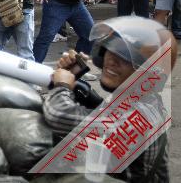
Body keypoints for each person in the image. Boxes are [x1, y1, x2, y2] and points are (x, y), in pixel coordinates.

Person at [44, 16, 174, 181]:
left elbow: (58, 115)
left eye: (125, 59)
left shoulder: (141, 115)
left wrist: (62, 85)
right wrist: (71, 78)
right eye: (110, 51)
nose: (111, 61)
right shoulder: (133, 100)